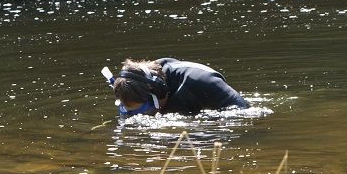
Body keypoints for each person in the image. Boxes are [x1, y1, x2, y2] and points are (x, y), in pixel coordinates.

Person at [103, 57, 249, 116]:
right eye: (127, 111)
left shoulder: (202, 82)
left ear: (159, 92)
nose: (140, 117)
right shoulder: (141, 79)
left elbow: (246, 113)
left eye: (145, 110)